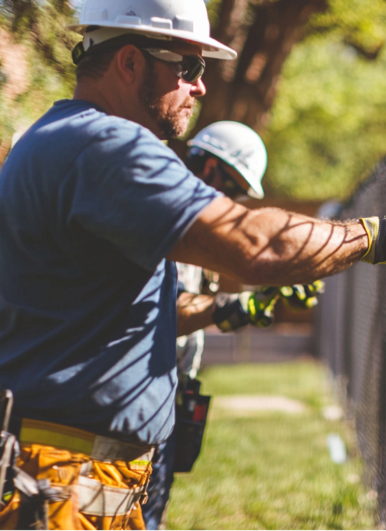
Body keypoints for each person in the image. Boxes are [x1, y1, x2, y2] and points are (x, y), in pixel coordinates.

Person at [0, 0, 386, 529]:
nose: (201, 87)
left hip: (51, 470)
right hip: (51, 480)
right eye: (189, 67)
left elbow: (121, 314)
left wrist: (227, 309)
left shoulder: (61, 139)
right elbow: (253, 245)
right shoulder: (105, 147)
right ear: (130, 62)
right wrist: (377, 235)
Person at [144, 121, 323, 530]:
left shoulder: (194, 228)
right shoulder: (159, 217)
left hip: (171, 390)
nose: (235, 202)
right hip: (143, 396)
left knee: (154, 507)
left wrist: (259, 297)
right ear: (209, 171)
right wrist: (234, 306)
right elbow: (163, 316)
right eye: (236, 189)